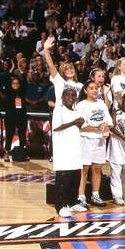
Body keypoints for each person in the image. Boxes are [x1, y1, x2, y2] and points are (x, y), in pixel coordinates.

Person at [76, 80, 114, 208]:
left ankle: (95, 195)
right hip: (85, 140)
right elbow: (80, 126)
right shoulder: (81, 105)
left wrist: (107, 128)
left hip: (99, 141)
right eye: (91, 88)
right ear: (85, 90)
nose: (94, 90)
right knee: (84, 169)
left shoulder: (102, 104)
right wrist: (96, 128)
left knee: (97, 169)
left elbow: (109, 121)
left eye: (96, 88)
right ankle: (81, 197)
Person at [51, 88, 86, 218]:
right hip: (63, 151)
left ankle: (72, 202)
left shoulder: (76, 111)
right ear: (63, 97)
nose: (71, 97)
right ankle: (60, 206)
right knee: (63, 180)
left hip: (75, 150)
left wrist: (80, 123)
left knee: (75, 179)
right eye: (68, 95)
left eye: (74, 95)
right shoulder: (58, 110)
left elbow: (79, 128)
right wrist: (75, 122)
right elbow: (56, 127)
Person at [43, 36, 83, 105]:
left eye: (71, 68)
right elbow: (51, 66)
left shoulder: (81, 85)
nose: (69, 70)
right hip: (61, 114)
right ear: (63, 72)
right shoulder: (59, 81)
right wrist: (46, 51)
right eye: (66, 69)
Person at [3, 76, 28, 161]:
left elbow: (24, 84)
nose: (16, 85)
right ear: (11, 85)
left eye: (17, 83)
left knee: (22, 136)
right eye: (14, 83)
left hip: (21, 117)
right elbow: (6, 82)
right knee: (9, 135)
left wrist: (21, 73)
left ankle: (23, 154)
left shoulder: (22, 92)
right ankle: (6, 153)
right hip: (11, 117)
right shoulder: (8, 92)